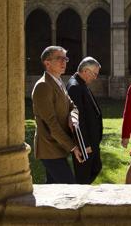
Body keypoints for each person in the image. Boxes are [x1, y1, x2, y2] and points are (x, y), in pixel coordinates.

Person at [32, 46, 83, 184]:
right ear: (47, 63)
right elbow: (51, 124)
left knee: (52, 190)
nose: (64, 62)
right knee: (70, 188)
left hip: (58, 147)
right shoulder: (43, 86)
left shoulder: (58, 81)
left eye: (65, 58)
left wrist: (73, 117)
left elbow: (72, 106)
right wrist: (73, 147)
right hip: (49, 148)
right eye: (59, 59)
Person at [66, 56, 103, 184]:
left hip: (92, 140)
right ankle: (79, 198)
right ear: (86, 71)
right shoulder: (75, 87)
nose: (95, 77)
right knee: (83, 176)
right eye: (94, 74)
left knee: (96, 167)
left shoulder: (82, 83)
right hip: (85, 142)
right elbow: (77, 121)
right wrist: (84, 145)